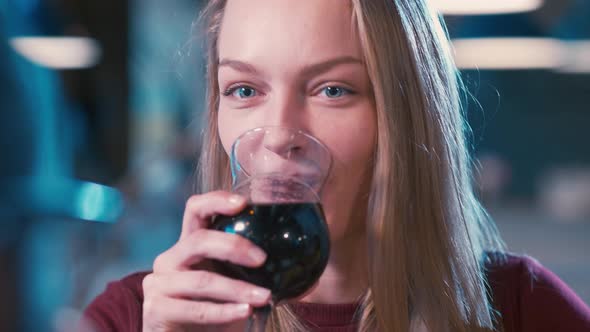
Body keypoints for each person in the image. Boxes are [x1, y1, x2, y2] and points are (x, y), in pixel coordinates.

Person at [82, 0, 590, 331]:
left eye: (332, 90)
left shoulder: (523, 307)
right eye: (244, 90)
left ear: (406, 116)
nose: (279, 135)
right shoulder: (134, 317)